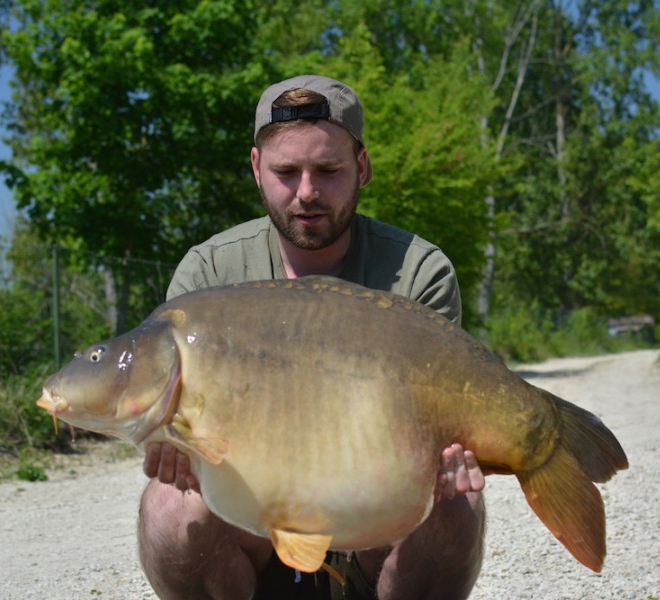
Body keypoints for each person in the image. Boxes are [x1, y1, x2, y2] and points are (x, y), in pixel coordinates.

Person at [137, 75, 486, 600]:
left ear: (362, 168)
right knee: (166, 504)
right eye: (285, 171)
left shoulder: (418, 271)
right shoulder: (209, 273)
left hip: (374, 520)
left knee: (459, 504)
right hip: (251, 529)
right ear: (257, 168)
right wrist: (175, 448)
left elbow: (437, 423)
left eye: (328, 170)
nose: (306, 193)